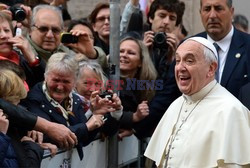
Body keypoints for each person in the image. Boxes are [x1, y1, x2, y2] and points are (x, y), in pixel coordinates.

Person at [144, 37, 250, 167]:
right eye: (177, 61)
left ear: (211, 68)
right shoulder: (175, 105)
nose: (180, 68)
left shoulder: (231, 110)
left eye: (189, 61)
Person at [22, 52, 122, 160]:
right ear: (45, 76)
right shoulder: (35, 99)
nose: (60, 87)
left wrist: (96, 114)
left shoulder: (74, 99)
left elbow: (83, 139)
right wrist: (87, 126)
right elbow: (50, 136)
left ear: (74, 81)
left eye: (66, 82)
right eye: (55, 80)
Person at [195, 0, 250, 98]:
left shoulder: (247, 46)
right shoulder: (190, 46)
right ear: (200, 13)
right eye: (207, 9)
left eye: (218, 8)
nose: (212, 15)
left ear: (231, 12)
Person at [118, 35, 157, 139]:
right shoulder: (105, 81)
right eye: (121, 51)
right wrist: (134, 117)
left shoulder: (146, 86)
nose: (124, 55)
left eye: (131, 53)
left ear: (140, 62)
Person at [0, 11, 46, 88]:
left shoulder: (22, 59)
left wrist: (32, 58)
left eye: (6, 30)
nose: (4, 36)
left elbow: (45, 87)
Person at [143, 0, 185, 80]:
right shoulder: (137, 43)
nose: (166, 22)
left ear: (176, 25)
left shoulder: (181, 49)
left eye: (172, 18)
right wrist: (142, 54)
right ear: (151, 18)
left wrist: (173, 60)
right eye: (162, 16)